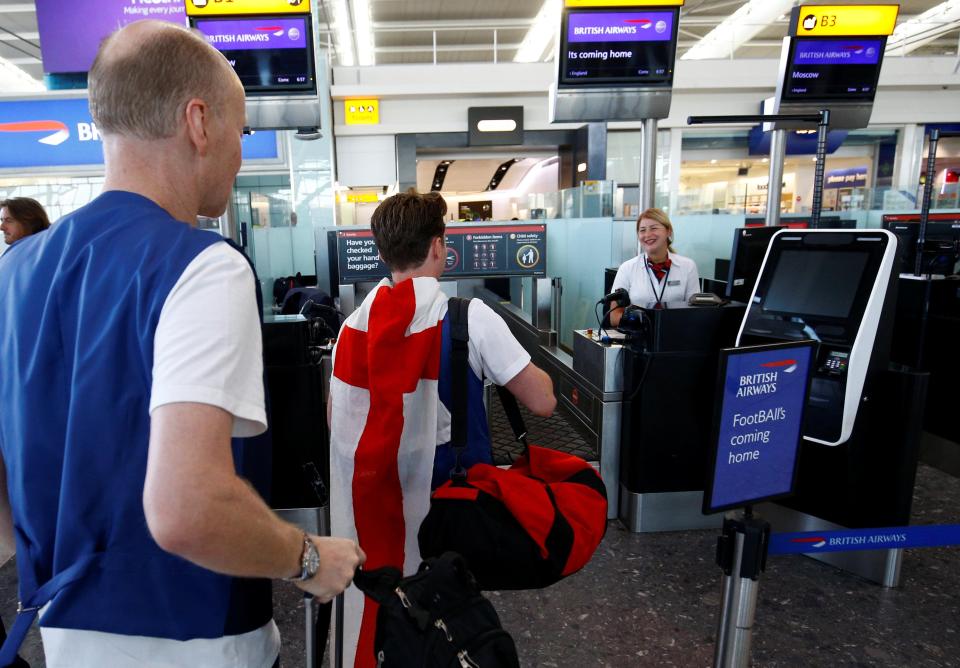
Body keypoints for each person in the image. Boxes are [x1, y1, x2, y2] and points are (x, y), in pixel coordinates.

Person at [0, 20, 364, 668]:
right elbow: (185, 508)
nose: (239, 154)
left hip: (59, 635)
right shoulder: (200, 265)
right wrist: (309, 558)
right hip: (199, 642)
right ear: (198, 122)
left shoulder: (14, 271)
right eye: (239, 130)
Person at [328, 190, 556, 667]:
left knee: (389, 627)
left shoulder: (351, 330)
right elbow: (543, 402)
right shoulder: (468, 318)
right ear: (438, 246)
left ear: (382, 251)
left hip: (372, 518)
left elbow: (337, 420)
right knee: (447, 633)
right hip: (448, 518)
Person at [609, 207, 701, 326]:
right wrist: (643, 321)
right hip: (638, 339)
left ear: (668, 231)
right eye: (642, 230)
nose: (647, 235)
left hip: (677, 337)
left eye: (653, 228)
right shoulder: (627, 268)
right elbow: (614, 317)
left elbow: (696, 313)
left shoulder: (688, 266)